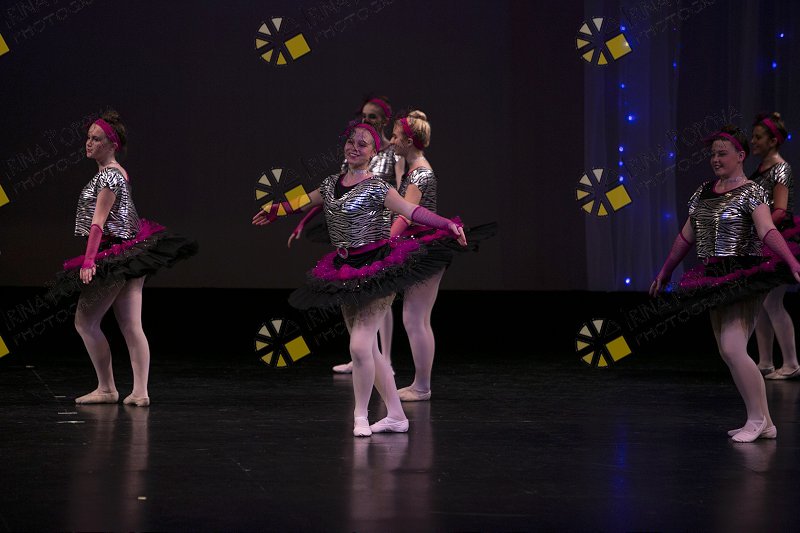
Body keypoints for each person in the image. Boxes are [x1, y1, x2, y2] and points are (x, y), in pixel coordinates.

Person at [253, 123, 468, 437]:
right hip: (344, 271)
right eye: (351, 142)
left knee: (359, 346)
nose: (354, 147)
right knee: (370, 351)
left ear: (373, 152)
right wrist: (276, 209)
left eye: (363, 144)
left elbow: (411, 210)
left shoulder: (378, 187)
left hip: (377, 270)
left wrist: (447, 224)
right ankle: (396, 416)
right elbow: (303, 201)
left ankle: (360, 416)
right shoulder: (330, 184)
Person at [650, 125, 800, 443]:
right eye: (713, 154)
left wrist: (791, 260)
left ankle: (757, 419)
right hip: (713, 275)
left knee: (733, 348)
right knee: (727, 351)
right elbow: (685, 237)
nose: (716, 159)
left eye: (722, 153)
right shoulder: (704, 191)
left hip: (742, 274)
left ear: (740, 155)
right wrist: (665, 271)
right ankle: (766, 423)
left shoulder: (752, 191)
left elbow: (767, 231)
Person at [50, 110, 198, 407]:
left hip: (116, 256)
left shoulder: (108, 175)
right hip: (132, 251)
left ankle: (107, 388)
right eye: (88, 137)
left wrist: (89, 261)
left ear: (112, 144)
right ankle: (140, 392)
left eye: (96, 139)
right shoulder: (118, 172)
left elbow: (98, 223)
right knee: (131, 325)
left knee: (85, 323)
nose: (88, 143)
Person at [290, 95, 404, 375]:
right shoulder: (354, 151)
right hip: (353, 226)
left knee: (380, 297)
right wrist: (301, 222)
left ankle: (385, 358)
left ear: (384, 121)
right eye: (364, 115)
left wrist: (397, 226)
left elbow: (400, 194)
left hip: (380, 227)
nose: (367, 120)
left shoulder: (393, 155)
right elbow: (330, 194)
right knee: (353, 294)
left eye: (373, 116)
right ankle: (362, 355)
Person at [748, 112, 800, 380]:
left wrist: (758, 227)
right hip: (765, 237)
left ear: (773, 140)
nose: (753, 141)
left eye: (758, 137)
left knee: (772, 301)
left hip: (779, 239)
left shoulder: (781, 168)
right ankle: (766, 362)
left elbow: (779, 210)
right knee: (761, 303)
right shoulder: (760, 168)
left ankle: (791, 363)